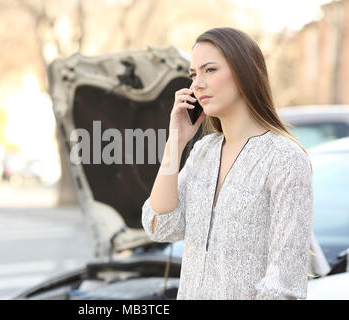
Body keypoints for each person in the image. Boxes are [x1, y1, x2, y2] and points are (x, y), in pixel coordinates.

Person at [141, 27, 329, 300]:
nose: (197, 84)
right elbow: (161, 226)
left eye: (210, 70)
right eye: (193, 74)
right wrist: (176, 142)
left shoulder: (285, 159)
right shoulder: (204, 151)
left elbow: (283, 286)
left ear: (244, 73)